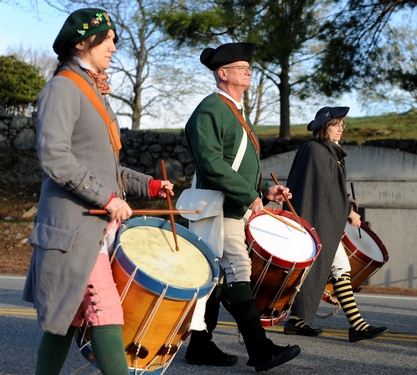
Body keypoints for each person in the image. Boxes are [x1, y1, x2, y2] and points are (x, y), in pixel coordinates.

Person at [22, 8, 174, 375]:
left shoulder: (92, 90)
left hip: (92, 228)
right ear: (81, 43)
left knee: (68, 318)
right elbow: (54, 157)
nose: (113, 46)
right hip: (74, 229)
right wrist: (106, 198)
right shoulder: (62, 88)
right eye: (106, 39)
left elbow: (107, 167)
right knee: (105, 307)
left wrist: (149, 185)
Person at [183, 42, 300, 372]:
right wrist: (249, 197)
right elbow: (211, 165)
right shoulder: (210, 110)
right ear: (223, 74)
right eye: (241, 67)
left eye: (248, 67)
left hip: (231, 204)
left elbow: (238, 168)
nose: (249, 70)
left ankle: (200, 346)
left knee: (217, 277)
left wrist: (265, 189)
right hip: (217, 205)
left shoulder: (234, 111)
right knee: (236, 269)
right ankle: (259, 350)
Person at [282, 106, 388, 343]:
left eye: (342, 124)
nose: (341, 128)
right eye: (335, 124)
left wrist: (345, 199)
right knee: (338, 267)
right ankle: (357, 326)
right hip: (316, 219)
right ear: (323, 128)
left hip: (319, 218)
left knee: (330, 270)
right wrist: (349, 212)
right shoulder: (316, 151)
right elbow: (323, 193)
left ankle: (296, 322)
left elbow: (328, 188)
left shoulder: (327, 151)